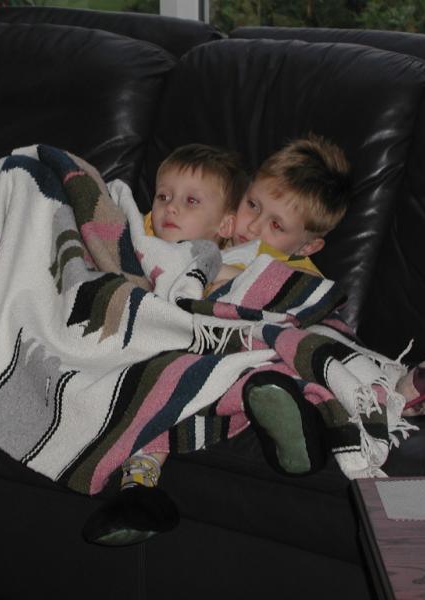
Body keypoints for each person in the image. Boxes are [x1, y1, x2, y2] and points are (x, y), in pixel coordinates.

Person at [83, 134, 353, 547]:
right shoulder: (212, 229)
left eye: (277, 226)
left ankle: (294, 423)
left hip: (241, 347)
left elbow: (302, 311)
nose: (253, 228)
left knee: (293, 350)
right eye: (252, 205)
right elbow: (139, 239)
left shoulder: (299, 273)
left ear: (308, 245)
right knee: (160, 374)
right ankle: (139, 493)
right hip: (180, 339)